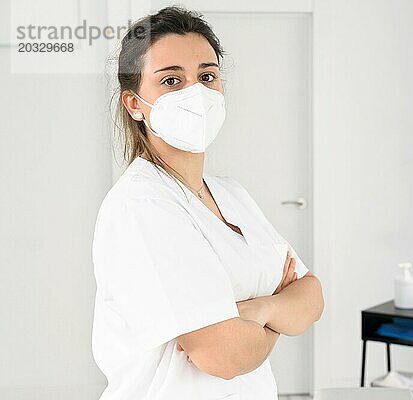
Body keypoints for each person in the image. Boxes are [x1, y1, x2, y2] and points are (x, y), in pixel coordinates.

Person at [91, 6, 324, 400]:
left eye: (206, 76)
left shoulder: (232, 195)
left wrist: (257, 312)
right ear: (134, 104)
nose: (195, 92)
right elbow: (223, 354)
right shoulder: (143, 204)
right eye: (171, 80)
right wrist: (276, 315)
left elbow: (312, 295)